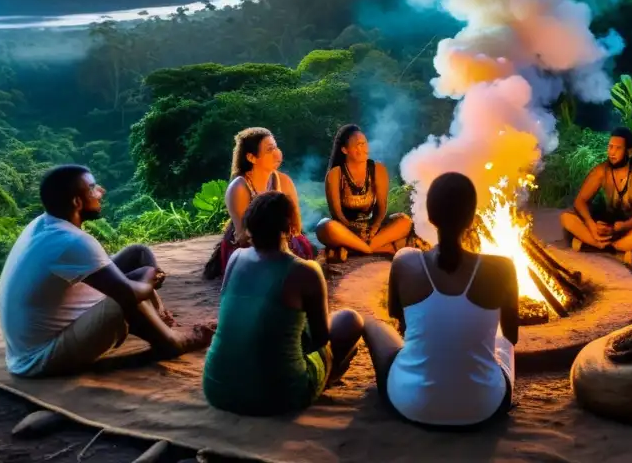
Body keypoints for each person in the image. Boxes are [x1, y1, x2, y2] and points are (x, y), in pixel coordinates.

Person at [0, 165, 214, 378]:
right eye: (93, 188)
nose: (101, 191)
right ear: (77, 202)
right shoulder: (71, 241)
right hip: (41, 357)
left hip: (35, 341)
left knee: (137, 254)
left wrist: (146, 275)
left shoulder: (44, 223)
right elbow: (128, 293)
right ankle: (172, 342)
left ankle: (159, 319)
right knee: (130, 289)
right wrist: (151, 275)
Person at [362, 172, 518, 428]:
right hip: (486, 407)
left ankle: (416, 374)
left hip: (410, 403)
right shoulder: (503, 268)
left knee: (371, 325)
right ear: (471, 218)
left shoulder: (404, 260)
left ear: (431, 216)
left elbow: (398, 319)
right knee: (502, 342)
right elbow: (511, 335)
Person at [203, 191, 364, 416]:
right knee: (349, 320)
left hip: (217, 388)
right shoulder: (305, 270)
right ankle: (324, 377)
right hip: (280, 396)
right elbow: (320, 339)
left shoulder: (236, 257)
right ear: (290, 227)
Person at [217, 127, 315, 275]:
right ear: (251, 157)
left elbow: (296, 225)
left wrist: (283, 241)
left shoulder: (284, 181)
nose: (277, 153)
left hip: (281, 239)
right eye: (269, 150)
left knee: (302, 247)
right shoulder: (239, 187)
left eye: (276, 147)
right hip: (250, 244)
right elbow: (243, 236)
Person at [559, 126, 632, 267]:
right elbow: (580, 201)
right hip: (606, 228)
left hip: (631, 228)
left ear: (630, 152)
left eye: (617, 148)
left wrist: (622, 227)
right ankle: (614, 249)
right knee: (566, 217)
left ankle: (595, 245)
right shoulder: (601, 171)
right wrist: (591, 225)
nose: (611, 152)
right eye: (610, 147)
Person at [316, 124, 415, 261]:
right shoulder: (335, 174)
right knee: (325, 227)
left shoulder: (378, 169)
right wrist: (352, 229)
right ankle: (377, 248)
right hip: (346, 230)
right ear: (345, 150)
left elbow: (381, 207)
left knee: (404, 221)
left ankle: (351, 250)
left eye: (364, 143)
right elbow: (337, 214)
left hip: (371, 229)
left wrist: (374, 227)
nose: (363, 148)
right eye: (358, 144)